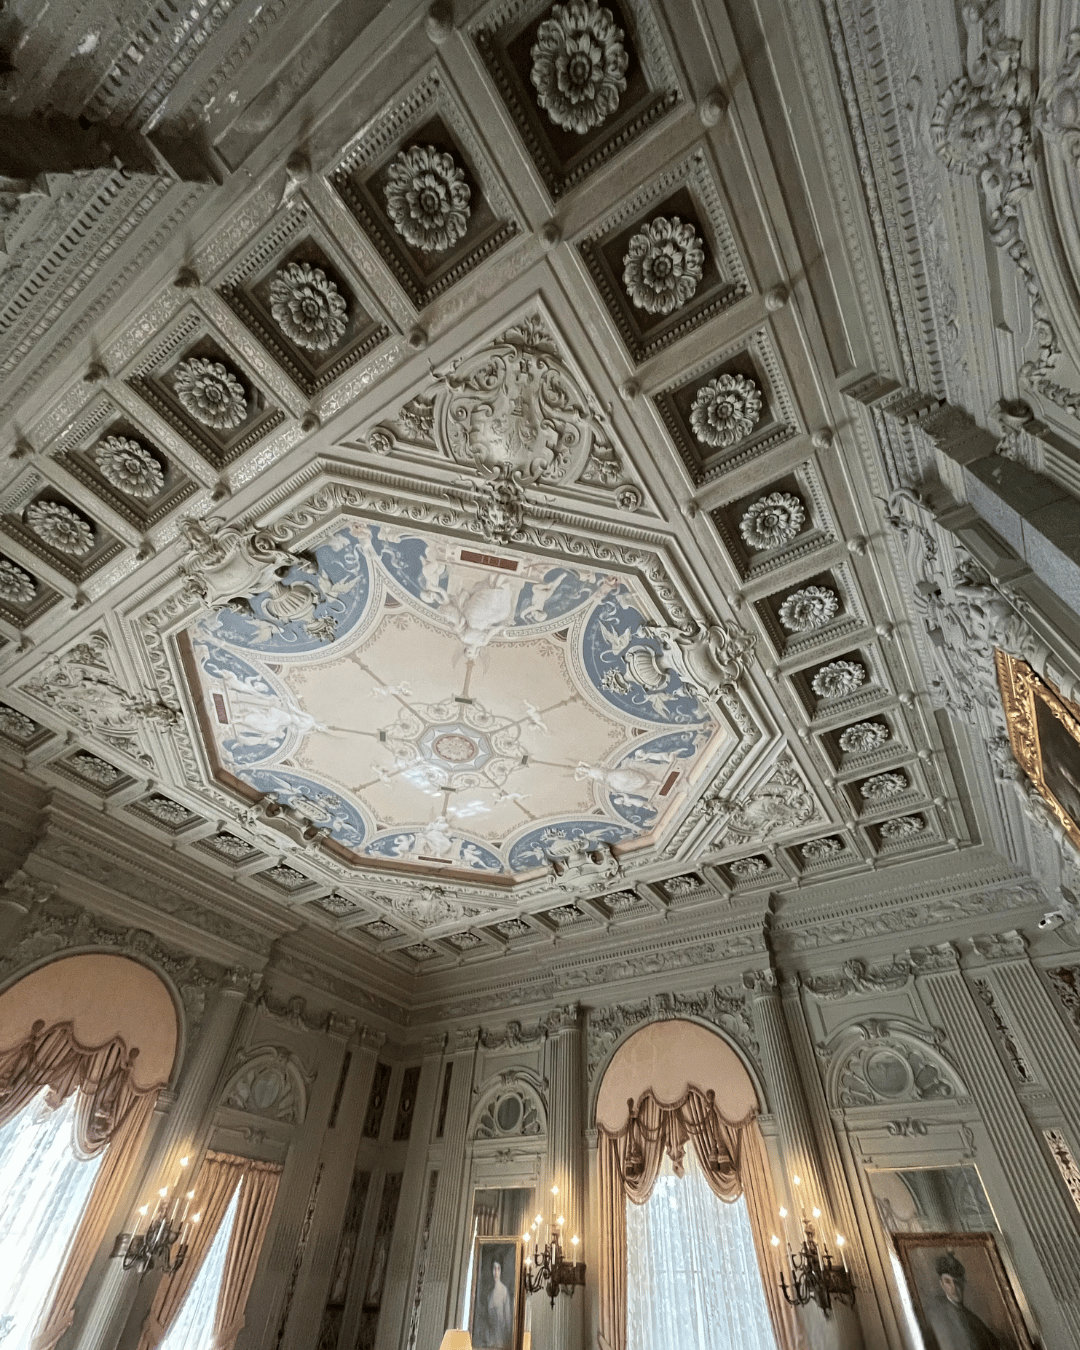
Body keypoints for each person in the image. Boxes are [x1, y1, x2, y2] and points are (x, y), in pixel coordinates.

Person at [923, 1252, 1006, 1350]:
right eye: (948, 1282)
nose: (954, 1288)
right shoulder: (935, 1314)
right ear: (941, 1284)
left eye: (957, 1281)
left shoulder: (974, 1320)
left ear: (963, 1282)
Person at [486, 1257, 513, 1348]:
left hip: (501, 1340)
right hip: (491, 1340)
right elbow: (488, 1320)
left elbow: (508, 1318)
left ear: (501, 1271)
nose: (496, 1272)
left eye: (498, 1269)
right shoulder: (489, 1294)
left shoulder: (504, 1291)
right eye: (494, 1268)